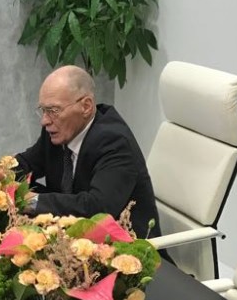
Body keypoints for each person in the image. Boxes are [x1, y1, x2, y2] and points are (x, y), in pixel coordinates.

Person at [17, 65, 162, 239]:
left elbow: (96, 209)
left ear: (86, 106)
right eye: (43, 110)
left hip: (125, 248)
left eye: (54, 111)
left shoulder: (115, 142)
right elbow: (26, 164)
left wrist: (31, 201)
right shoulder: (58, 131)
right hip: (71, 238)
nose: (45, 120)